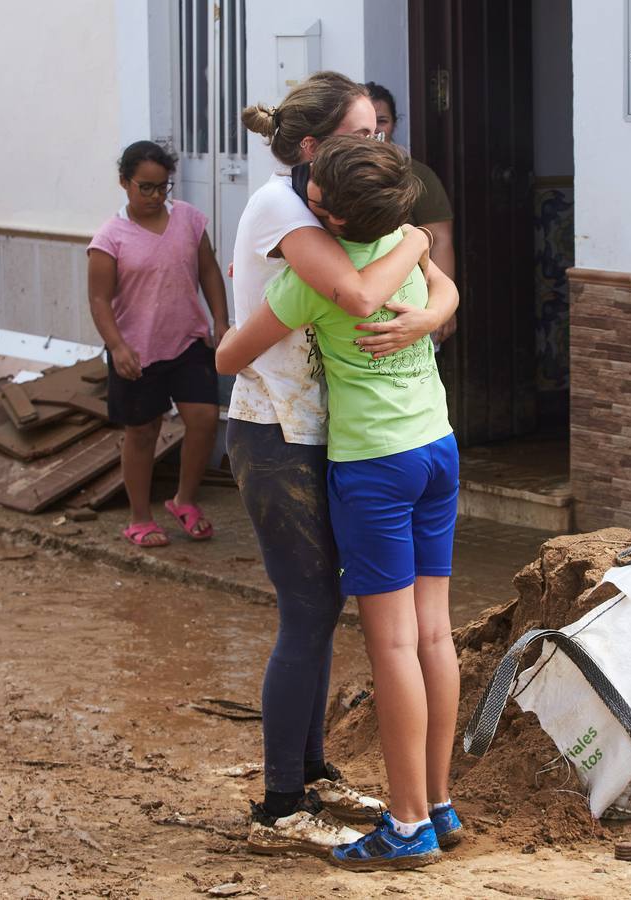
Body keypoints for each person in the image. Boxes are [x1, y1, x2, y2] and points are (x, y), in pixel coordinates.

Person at [227, 70, 457, 860]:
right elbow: (356, 298)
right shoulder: (286, 209)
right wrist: (423, 239)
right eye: (365, 136)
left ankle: (318, 771)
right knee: (311, 611)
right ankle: (284, 800)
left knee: (334, 613)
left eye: (382, 135)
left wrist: (429, 293)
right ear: (317, 150)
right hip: (278, 430)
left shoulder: (350, 215)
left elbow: (409, 288)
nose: (379, 147)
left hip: (344, 437)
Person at [87, 140, 227, 547]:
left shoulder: (188, 221)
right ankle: (139, 518)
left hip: (187, 341)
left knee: (202, 419)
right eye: (144, 187)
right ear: (124, 183)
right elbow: (98, 299)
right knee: (143, 431)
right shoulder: (109, 238)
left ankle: (183, 500)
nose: (153, 196)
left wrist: (220, 320)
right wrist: (116, 346)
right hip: (136, 350)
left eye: (162, 187)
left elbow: (210, 272)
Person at [364, 81, 456, 344]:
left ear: (395, 122)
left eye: (382, 121)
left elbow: (440, 239)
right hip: (357, 300)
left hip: (411, 303)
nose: (374, 131)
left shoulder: (416, 176)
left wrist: (442, 309)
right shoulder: (334, 177)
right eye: (366, 123)